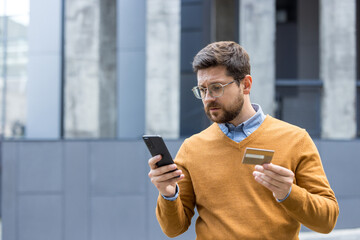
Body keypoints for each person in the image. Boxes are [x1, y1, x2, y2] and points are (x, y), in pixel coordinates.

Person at [148, 41, 339, 239]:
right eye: (202, 90)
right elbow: (173, 229)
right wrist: (169, 194)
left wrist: (289, 193)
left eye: (216, 87)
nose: (208, 98)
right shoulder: (192, 148)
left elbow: (327, 221)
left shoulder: (295, 140)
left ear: (246, 84)